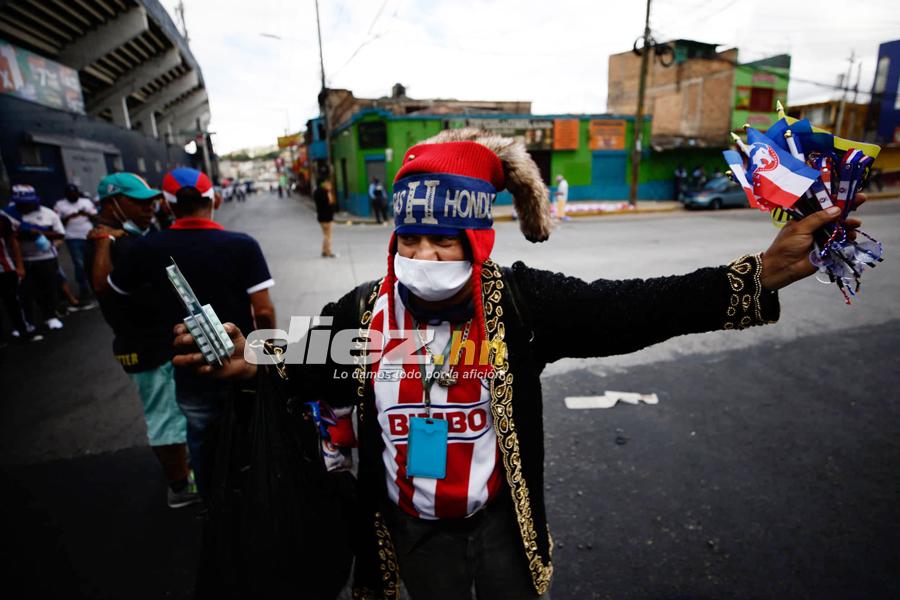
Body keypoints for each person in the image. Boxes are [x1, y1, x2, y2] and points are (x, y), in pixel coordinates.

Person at [172, 129, 860, 599]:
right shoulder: (364, 312)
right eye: (410, 238)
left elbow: (639, 307)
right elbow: (308, 358)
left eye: (443, 241)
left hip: (502, 526)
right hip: (408, 531)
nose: (424, 257)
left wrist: (759, 275)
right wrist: (247, 356)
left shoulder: (520, 305)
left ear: (476, 238)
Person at [104, 168, 276, 494]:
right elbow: (264, 311)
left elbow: (115, 290)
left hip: (189, 364)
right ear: (216, 199)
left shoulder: (147, 248)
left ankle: (209, 498)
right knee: (252, 427)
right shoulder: (241, 245)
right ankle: (256, 492)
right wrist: (269, 359)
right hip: (245, 364)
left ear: (168, 207)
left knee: (199, 432)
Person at [86, 172, 197, 508]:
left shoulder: (133, 235)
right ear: (112, 203)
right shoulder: (107, 241)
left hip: (158, 338)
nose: (150, 206)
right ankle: (180, 486)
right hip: (144, 344)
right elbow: (102, 286)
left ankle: (183, 471)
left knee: (175, 412)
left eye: (152, 200)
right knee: (165, 416)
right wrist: (105, 242)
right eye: (139, 201)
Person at [3, 185, 66, 331]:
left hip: (46, 257)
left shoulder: (48, 214)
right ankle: (27, 322)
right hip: (21, 260)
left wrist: (37, 233)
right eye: (22, 203)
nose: (25, 206)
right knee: (25, 292)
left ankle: (50, 316)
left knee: (48, 288)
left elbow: (60, 234)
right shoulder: (8, 215)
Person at [0, 209, 42, 341]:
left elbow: (13, 241)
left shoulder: (2, 218)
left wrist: (19, 265)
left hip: (5, 268)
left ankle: (24, 330)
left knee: (13, 302)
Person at [53, 183, 97, 303]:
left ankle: (96, 286)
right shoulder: (60, 205)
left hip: (89, 235)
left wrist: (86, 214)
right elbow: (56, 222)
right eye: (70, 194)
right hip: (72, 237)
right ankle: (84, 289)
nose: (73, 195)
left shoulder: (86, 202)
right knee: (79, 264)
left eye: (75, 193)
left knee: (93, 262)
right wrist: (69, 217)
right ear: (66, 195)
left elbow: (96, 217)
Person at [314, 179, 338, 258]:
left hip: (320, 217)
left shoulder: (316, 192)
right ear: (326, 184)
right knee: (328, 236)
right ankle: (328, 252)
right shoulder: (326, 192)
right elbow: (331, 202)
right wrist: (330, 192)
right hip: (327, 217)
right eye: (329, 184)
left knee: (325, 235)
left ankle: (324, 251)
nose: (330, 186)